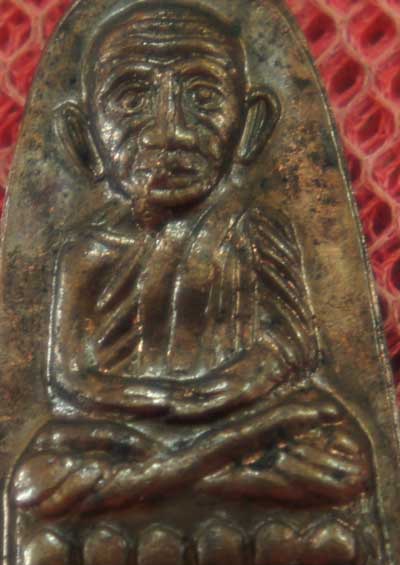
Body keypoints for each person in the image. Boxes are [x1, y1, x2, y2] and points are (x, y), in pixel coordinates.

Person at [13, 1, 371, 517]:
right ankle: (199, 474)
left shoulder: (254, 229)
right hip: (123, 431)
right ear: (82, 133)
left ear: (251, 123)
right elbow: (72, 378)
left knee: (341, 452)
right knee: (35, 477)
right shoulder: (86, 251)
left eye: (202, 98)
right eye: (132, 99)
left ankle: (162, 481)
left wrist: (215, 397)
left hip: (240, 416)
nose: (171, 131)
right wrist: (166, 403)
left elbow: (291, 347)